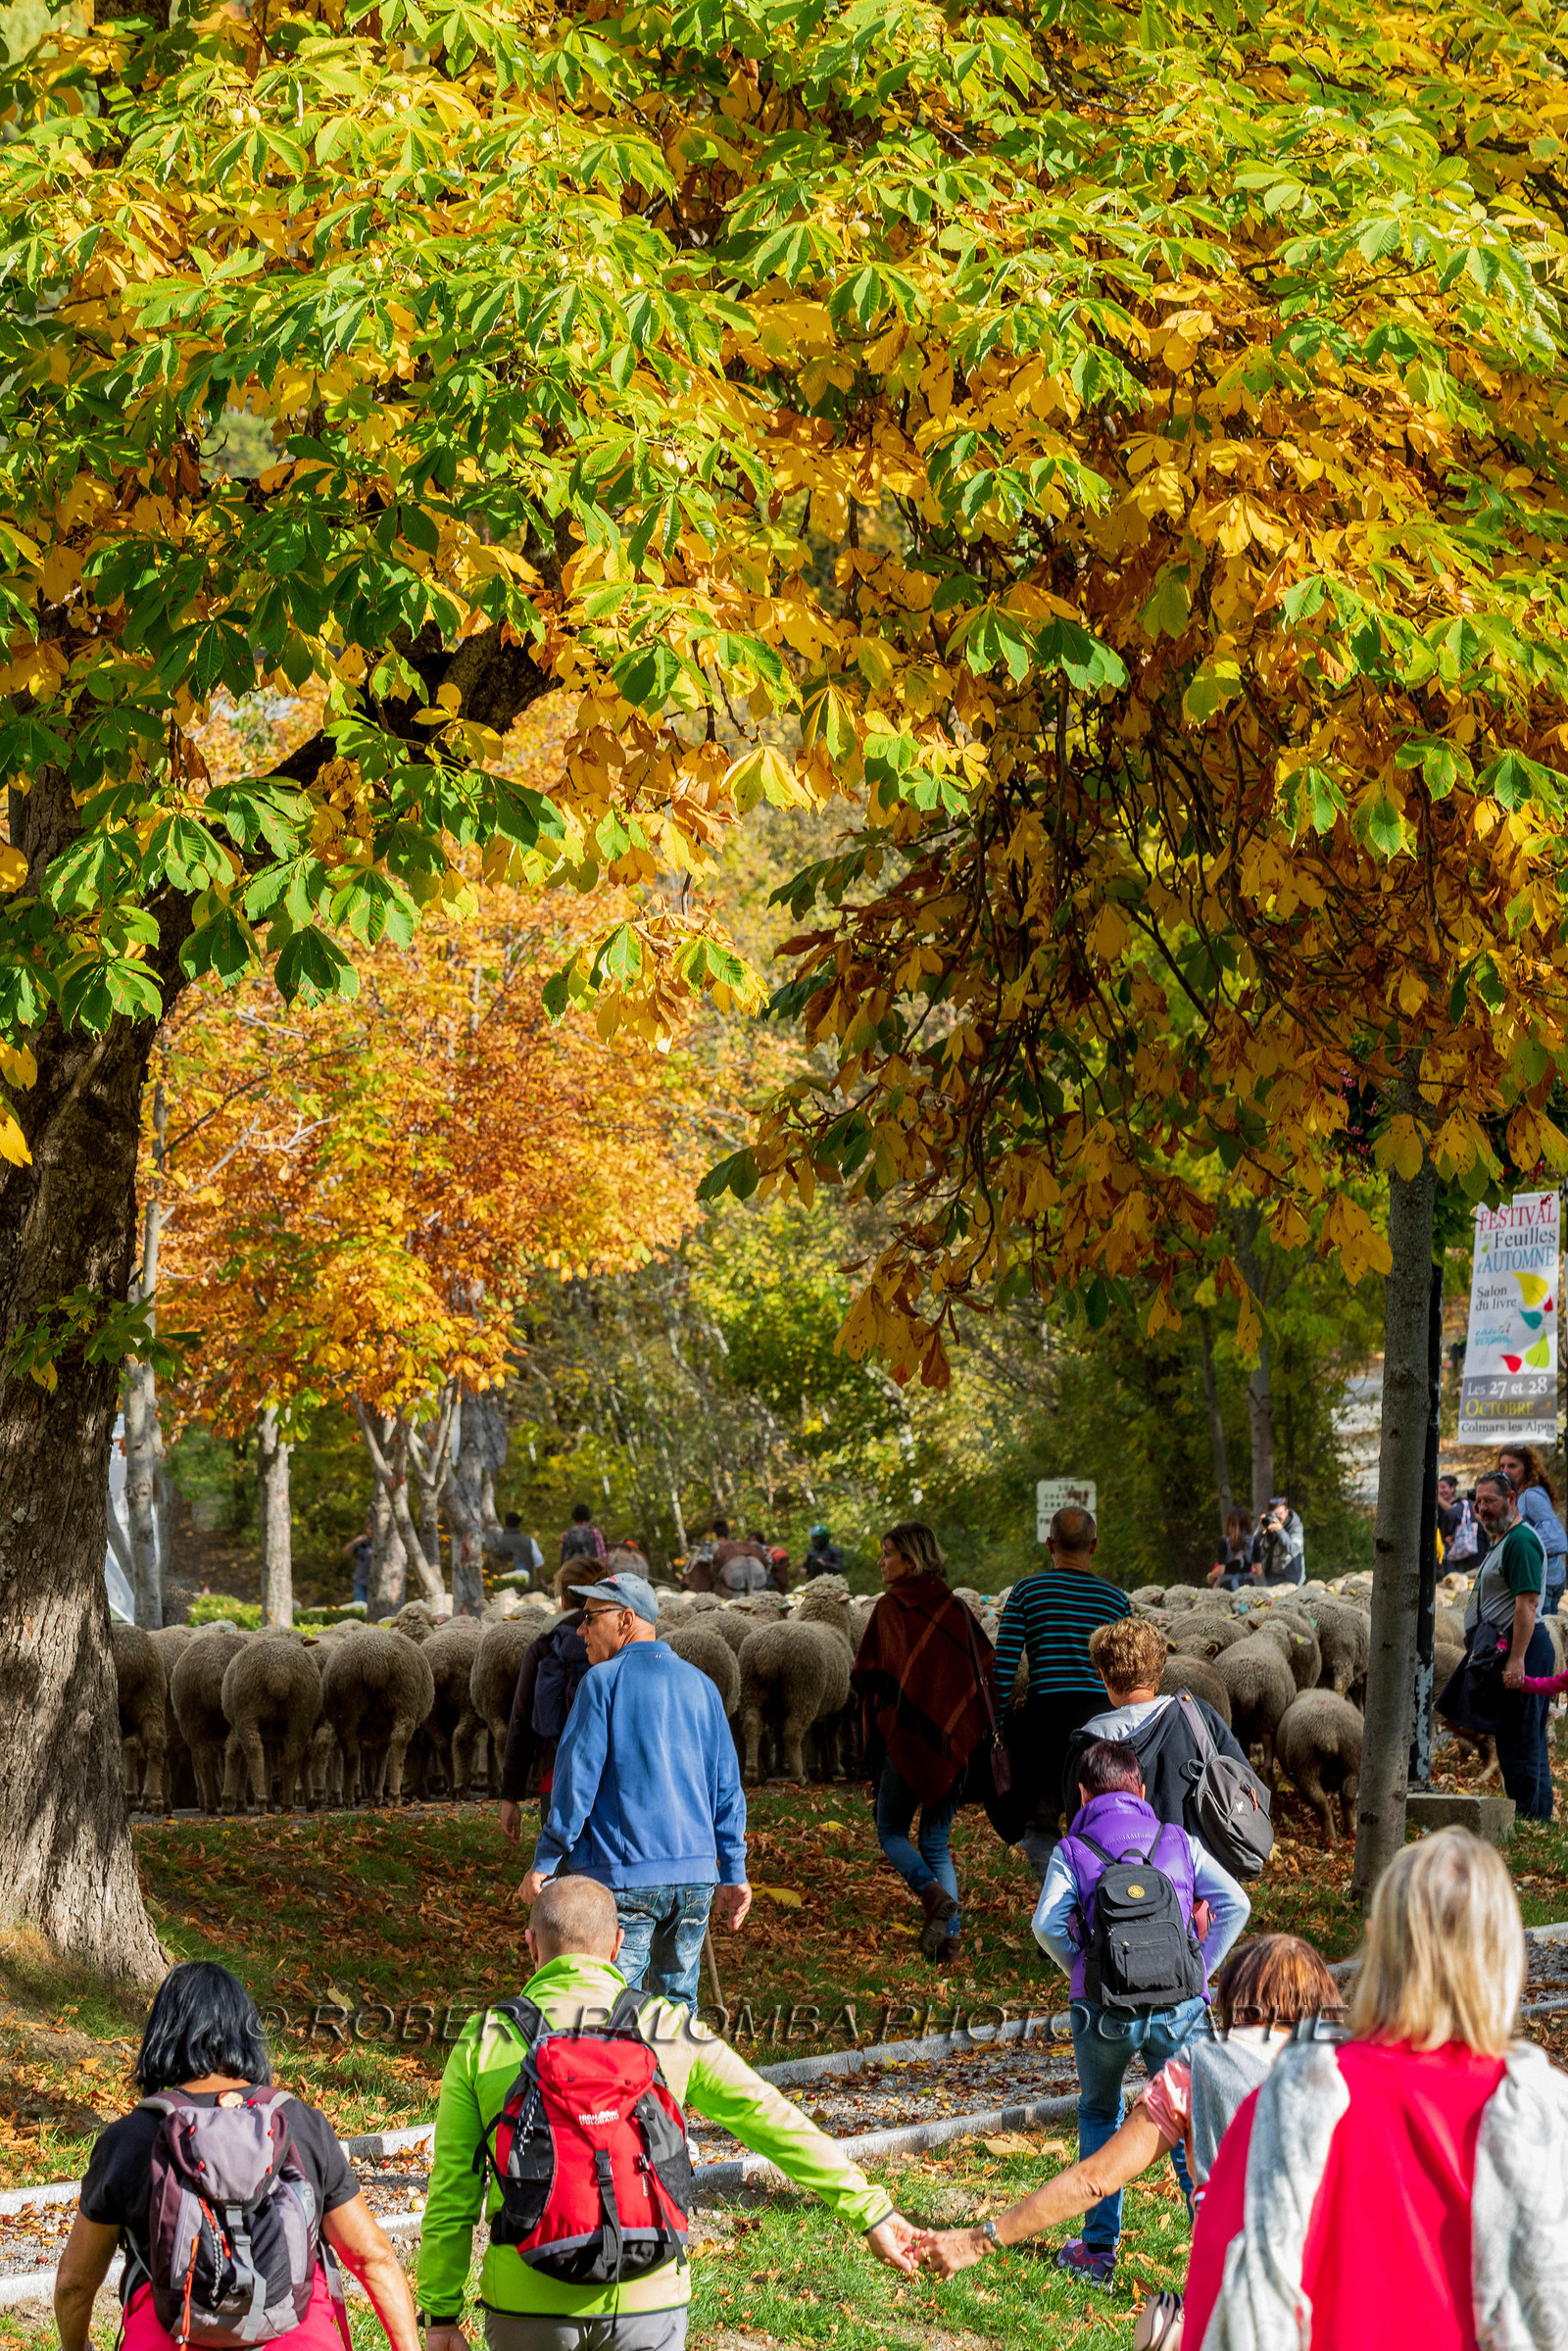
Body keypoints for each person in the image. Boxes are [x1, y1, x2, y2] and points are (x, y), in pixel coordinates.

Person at [416, 1877, 918, 2351]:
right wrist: (869, 2208)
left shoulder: (484, 2038)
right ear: (617, 1945)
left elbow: (454, 2190)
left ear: (530, 1946)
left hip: (526, 2298)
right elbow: (774, 2121)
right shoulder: (669, 2027)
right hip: (649, 2293)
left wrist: (439, 2314)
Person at [1186, 1830, 1568, 2349]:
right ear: (1505, 1957)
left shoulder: (1292, 2097)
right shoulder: (1545, 2115)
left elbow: (1221, 2302)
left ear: (1377, 1941)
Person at [914, 1933, 1345, 2278]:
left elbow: (1095, 2180)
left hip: (1238, 2295)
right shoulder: (1356, 2068)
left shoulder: (1199, 2070)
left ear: (1236, 1997)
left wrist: (978, 2240)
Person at [55, 1960, 418, 2351]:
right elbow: (372, 2258)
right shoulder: (299, 2125)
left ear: (161, 2036)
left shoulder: (131, 2138)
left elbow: (75, 2284)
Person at [1032, 1739, 1250, 2287]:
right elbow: (1235, 1904)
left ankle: (1098, 2252)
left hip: (1100, 2011)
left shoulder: (1072, 1848)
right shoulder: (1177, 1840)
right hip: (1178, 2006)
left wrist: (1082, 1971)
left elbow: (1046, 1925)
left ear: (1083, 1793)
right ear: (1142, 1790)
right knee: (1188, 2121)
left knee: (1099, 2113)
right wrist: (1198, 1966)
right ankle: (1213, 2248)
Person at [516, 1572, 750, 2007]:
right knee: (676, 2010)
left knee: (616, 2007)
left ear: (626, 1619)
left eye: (589, 1618)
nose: (579, 1630)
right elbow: (727, 1789)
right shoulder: (702, 1686)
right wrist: (733, 1870)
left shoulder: (602, 1682)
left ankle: (623, 2077)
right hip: (695, 1878)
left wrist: (545, 1860)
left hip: (623, 1877)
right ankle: (673, 2077)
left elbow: (575, 1784)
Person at [852, 1522, 996, 1968]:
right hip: (954, 1748)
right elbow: (982, 1673)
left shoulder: (891, 1608)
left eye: (887, 1553)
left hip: (907, 1744)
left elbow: (870, 1678)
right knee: (936, 1842)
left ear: (910, 1559)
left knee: (890, 1830)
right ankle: (949, 1948)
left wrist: (878, 1732)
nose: (880, 1561)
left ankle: (932, 1895)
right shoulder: (955, 1608)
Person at [993, 1505, 1131, 1883]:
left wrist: (1000, 1725)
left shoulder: (1027, 1592)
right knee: (1098, 1818)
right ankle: (1098, 1895)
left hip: (1045, 1723)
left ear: (1050, 1544)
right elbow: (1128, 1670)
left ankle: (1053, 1896)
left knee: (1041, 1820)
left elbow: (1004, 1668)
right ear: (1094, 1546)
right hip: (1101, 1724)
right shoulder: (1116, 1601)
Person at [1060, 1615, 1253, 1850]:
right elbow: (1244, 1783)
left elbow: (1077, 1827)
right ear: (1160, 1672)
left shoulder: (1088, 1743)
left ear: (1103, 1676)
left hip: (1120, 1879)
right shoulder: (1198, 1715)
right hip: (1198, 1871)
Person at [1437, 1467, 1553, 1820]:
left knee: (1521, 1739)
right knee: (1519, 1735)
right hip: (1506, 1650)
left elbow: (1527, 1602)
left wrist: (1517, 1660)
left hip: (1523, 1650)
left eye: (1491, 1500)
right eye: (1478, 1502)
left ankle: (1527, 1819)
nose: (1482, 1508)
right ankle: (1537, 1819)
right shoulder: (1504, 1540)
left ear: (1512, 1499)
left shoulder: (1521, 1541)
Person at [497, 1559, 617, 1847]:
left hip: (558, 1779)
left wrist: (510, 1795)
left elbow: (521, 1721)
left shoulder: (544, 1645)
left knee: (566, 1882)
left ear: (563, 1598)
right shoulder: (617, 1644)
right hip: (613, 1780)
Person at [1496, 1443, 1568, 1616]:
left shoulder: (1531, 1495)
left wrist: (1518, 1551)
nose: (1505, 1471)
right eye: (1502, 1466)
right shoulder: (1521, 1493)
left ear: (1527, 1469)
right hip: (1542, 1580)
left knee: (1541, 1638)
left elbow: (1557, 1541)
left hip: (1543, 1583)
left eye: (1512, 1466)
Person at [1250, 1494, 1304, 1584]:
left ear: (1286, 1512)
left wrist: (1280, 1531)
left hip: (1292, 1577)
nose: (1278, 1517)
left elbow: (1295, 1550)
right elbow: (1253, 1548)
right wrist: (1261, 1531)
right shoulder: (1267, 1524)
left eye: (1280, 1514)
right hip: (1272, 1576)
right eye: (1275, 1514)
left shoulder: (1295, 1526)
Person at [1205, 1506, 1255, 1591]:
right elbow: (1257, 1570)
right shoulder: (1253, 1541)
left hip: (1229, 1587)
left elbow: (1221, 1570)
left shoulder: (1224, 1542)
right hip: (1248, 1586)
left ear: (1229, 1523)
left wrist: (1210, 1575)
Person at [560, 1501, 608, 1565]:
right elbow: (602, 1556)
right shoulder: (595, 1532)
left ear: (574, 1516)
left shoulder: (566, 1534)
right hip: (591, 1570)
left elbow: (563, 1557)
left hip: (571, 1570)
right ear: (588, 1516)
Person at [343, 1511, 373, 1606]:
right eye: (370, 1528)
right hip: (360, 1582)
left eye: (374, 1528)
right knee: (360, 1608)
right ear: (366, 1528)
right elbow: (345, 1552)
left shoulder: (383, 1543)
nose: (372, 1531)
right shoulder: (361, 1542)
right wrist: (355, 1541)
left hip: (375, 1584)